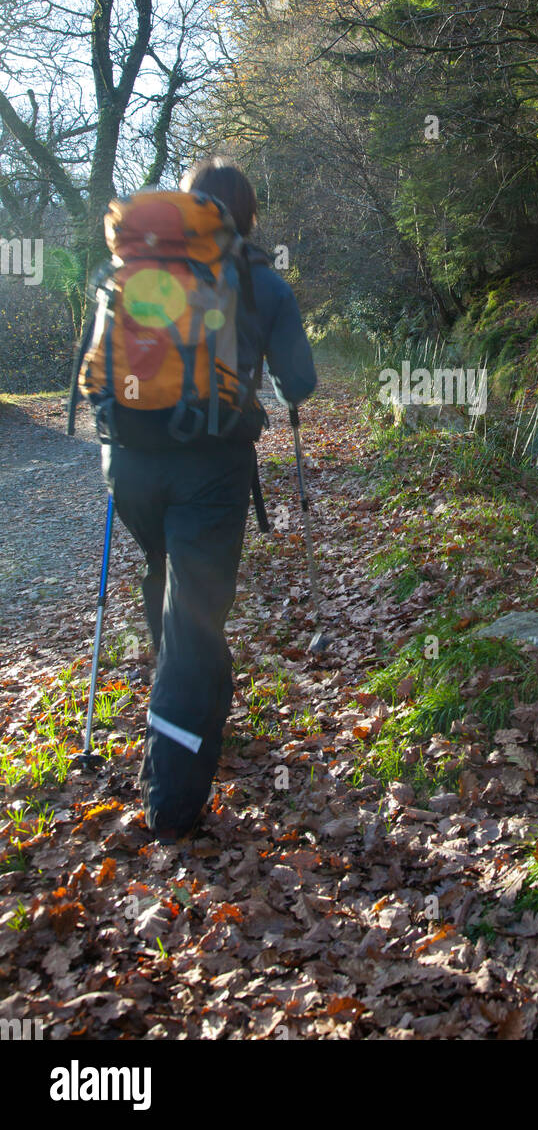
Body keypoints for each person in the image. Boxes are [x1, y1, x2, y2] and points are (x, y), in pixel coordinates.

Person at [98, 158, 316, 842]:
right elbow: (301, 382)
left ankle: (196, 707)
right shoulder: (260, 280)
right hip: (211, 469)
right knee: (194, 621)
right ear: (248, 218)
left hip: (127, 461)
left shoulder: (141, 268)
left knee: (173, 585)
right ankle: (173, 799)